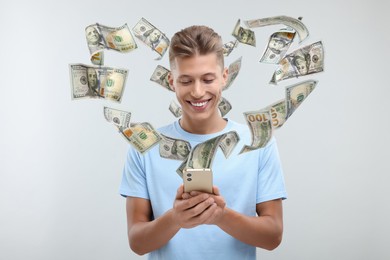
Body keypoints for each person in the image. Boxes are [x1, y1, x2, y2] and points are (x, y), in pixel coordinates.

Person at [120, 25, 287, 259]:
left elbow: (273, 237)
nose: (198, 92)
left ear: (224, 77)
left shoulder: (259, 142)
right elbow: (137, 242)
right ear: (171, 81)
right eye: (186, 81)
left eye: (208, 79)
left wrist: (221, 216)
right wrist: (175, 219)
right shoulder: (145, 147)